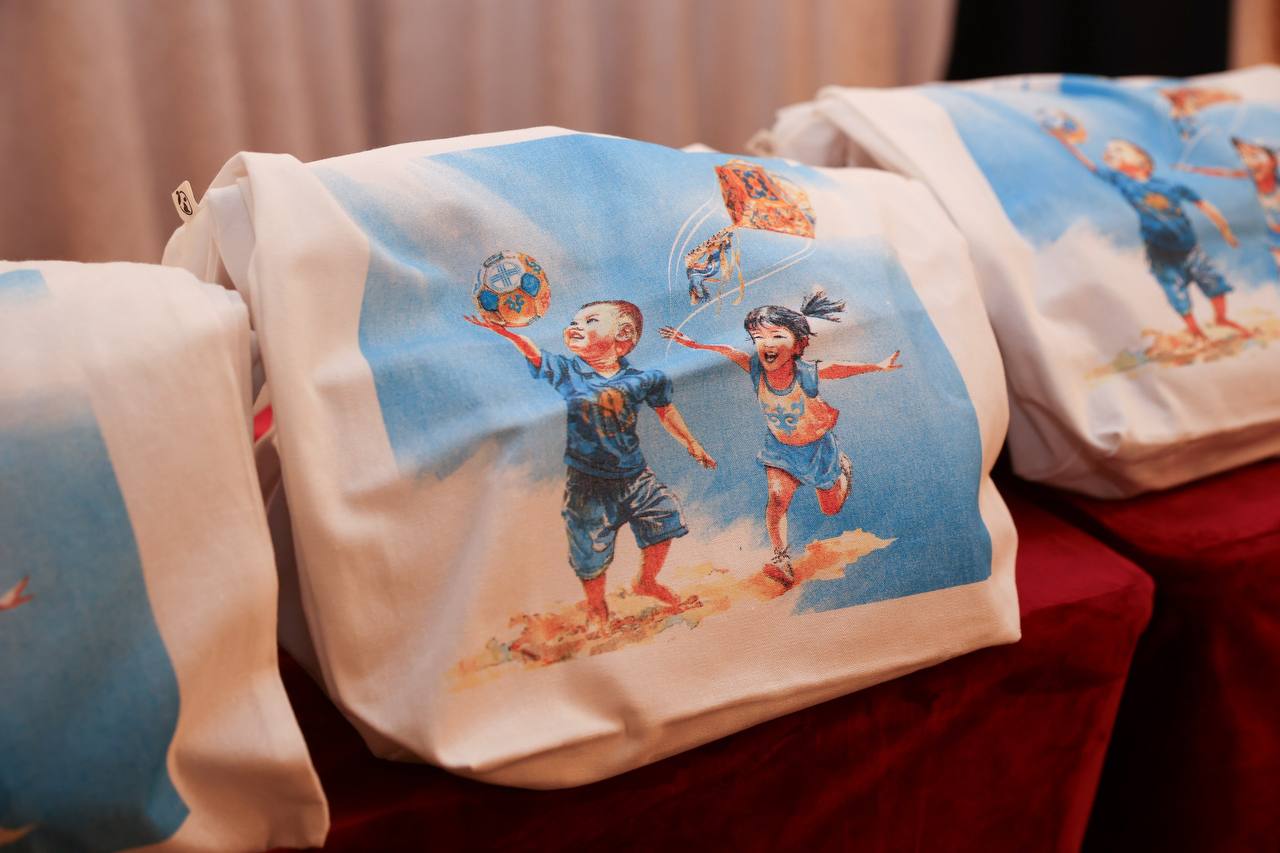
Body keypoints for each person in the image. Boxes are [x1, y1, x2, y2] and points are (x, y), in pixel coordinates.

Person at [465, 300, 715, 633]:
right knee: (589, 550)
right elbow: (534, 353)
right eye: (574, 321)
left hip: (635, 476)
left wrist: (692, 443)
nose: (575, 326)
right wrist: (504, 332)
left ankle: (647, 581)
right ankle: (597, 608)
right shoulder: (569, 372)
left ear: (623, 335)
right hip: (588, 484)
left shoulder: (642, 379)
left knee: (665, 514)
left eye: (590, 321)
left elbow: (665, 411)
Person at [660, 290, 901, 588]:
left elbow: (839, 368)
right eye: (758, 338)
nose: (767, 344)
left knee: (831, 507)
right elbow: (728, 351)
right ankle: (781, 559)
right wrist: (693, 344)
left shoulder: (806, 373)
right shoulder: (755, 368)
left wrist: (878, 366)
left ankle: (841, 470)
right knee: (776, 498)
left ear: (798, 344)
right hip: (781, 450)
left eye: (776, 336)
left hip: (817, 450)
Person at [1046, 122, 1249, 340]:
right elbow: (1090, 166)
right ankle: (1194, 329)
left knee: (1213, 282)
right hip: (1160, 252)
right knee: (1175, 291)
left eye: (1119, 149)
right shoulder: (1121, 181)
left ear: (1141, 158)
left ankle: (1221, 318)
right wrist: (1066, 142)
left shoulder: (1170, 186)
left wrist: (1225, 230)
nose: (1110, 152)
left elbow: (1204, 205)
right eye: (1109, 151)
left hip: (1190, 248)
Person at [1177, 136, 1280, 271]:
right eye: (1243, 156)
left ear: (1273, 160)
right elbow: (1223, 173)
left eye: (1254, 155)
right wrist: (1192, 169)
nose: (1248, 161)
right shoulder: (1250, 175)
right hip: (1274, 232)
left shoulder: (1274, 170)